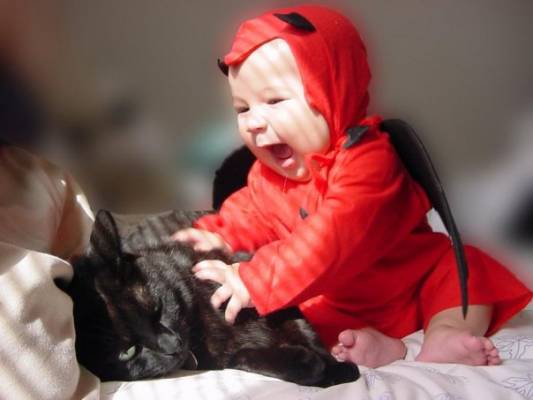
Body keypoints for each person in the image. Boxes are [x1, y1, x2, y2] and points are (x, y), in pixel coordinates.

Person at [173, 4, 532, 368]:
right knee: (295, 319)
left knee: (465, 268)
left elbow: (336, 234)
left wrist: (257, 279)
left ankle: (446, 331)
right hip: (337, 303)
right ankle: (385, 347)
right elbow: (250, 213)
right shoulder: (267, 176)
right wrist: (216, 235)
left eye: (274, 101)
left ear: (334, 90)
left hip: (415, 283)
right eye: (242, 109)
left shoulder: (369, 160)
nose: (253, 122)